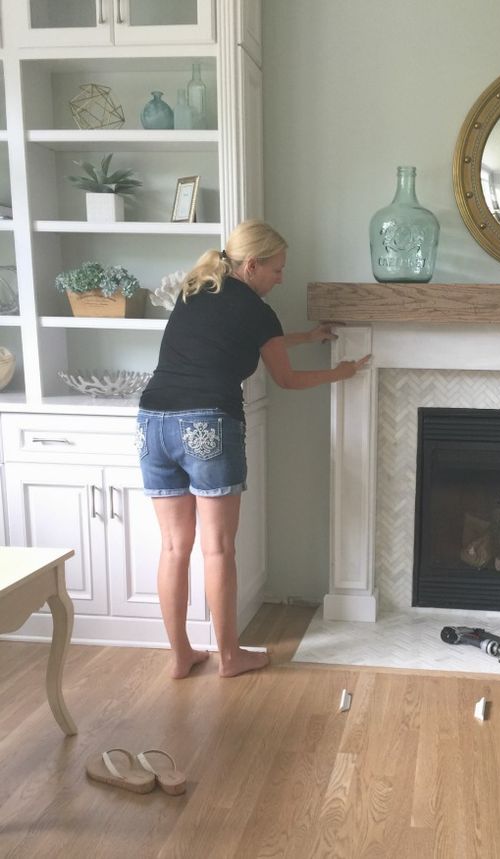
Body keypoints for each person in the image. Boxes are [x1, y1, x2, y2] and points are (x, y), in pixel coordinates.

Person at [136, 219, 370, 679]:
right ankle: (230, 657)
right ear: (253, 265)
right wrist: (339, 374)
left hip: (152, 422)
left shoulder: (195, 291)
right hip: (206, 422)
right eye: (278, 270)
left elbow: (240, 342)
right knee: (218, 549)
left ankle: (181, 656)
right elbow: (286, 378)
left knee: (172, 547)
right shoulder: (258, 311)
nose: (281, 278)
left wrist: (308, 337)